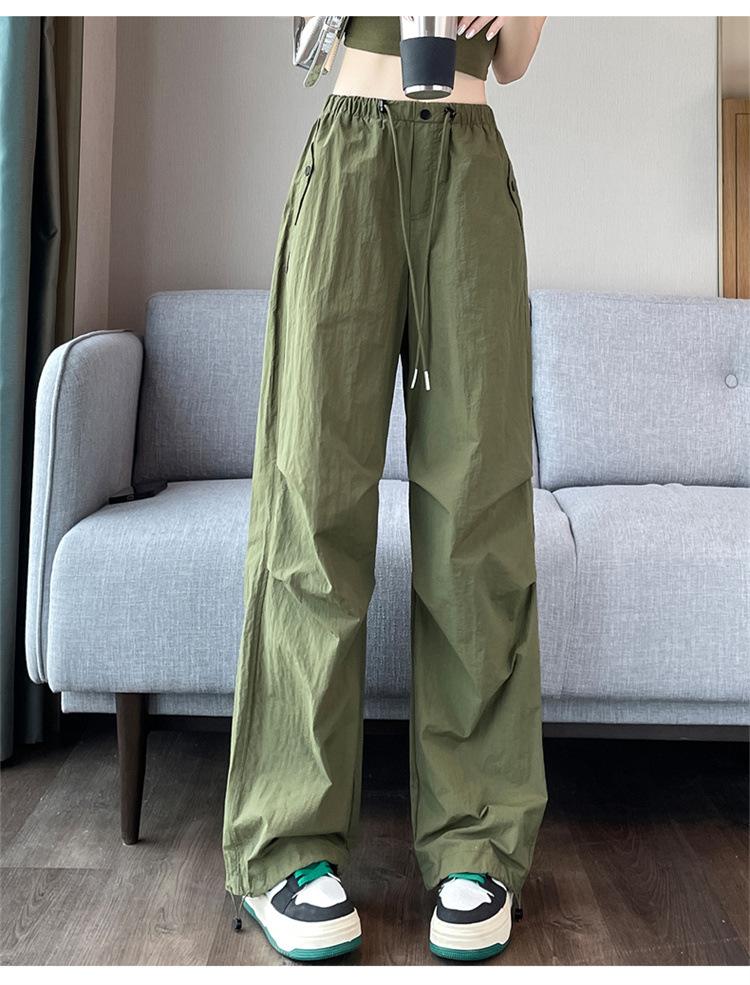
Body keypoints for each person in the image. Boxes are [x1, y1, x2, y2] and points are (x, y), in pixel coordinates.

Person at [222, 14, 549, 963]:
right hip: (352, 154)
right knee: (312, 503)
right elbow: (305, 39)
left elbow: (516, 60)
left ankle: (476, 843)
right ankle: (287, 845)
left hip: (470, 160)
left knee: (478, 518)